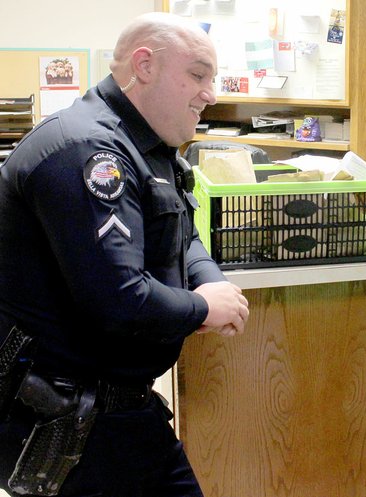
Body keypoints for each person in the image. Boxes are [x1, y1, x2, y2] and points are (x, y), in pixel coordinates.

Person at [0, 12, 249, 497]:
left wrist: (209, 282)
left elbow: (181, 235)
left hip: (116, 409)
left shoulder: (145, 144)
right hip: (68, 418)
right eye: (198, 74)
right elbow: (118, 300)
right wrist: (202, 308)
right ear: (145, 65)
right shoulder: (89, 150)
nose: (211, 93)